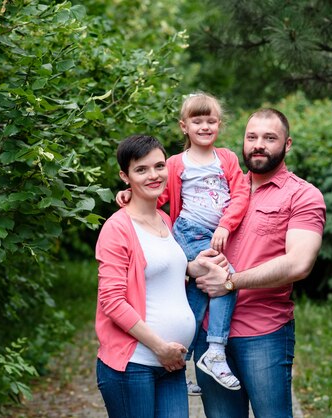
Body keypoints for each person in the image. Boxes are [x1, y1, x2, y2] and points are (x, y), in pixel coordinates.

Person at [192, 108, 326, 418]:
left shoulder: (303, 196)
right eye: (252, 137)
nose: (258, 145)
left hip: (263, 333)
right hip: (210, 334)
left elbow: (299, 264)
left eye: (269, 138)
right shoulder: (220, 189)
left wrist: (230, 282)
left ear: (287, 144)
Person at [117, 92, 250, 394]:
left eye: (211, 121)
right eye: (197, 121)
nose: (205, 126)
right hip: (189, 232)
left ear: (219, 124)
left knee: (199, 291)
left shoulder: (226, 158)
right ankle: (215, 350)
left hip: (216, 232)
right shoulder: (176, 163)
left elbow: (241, 194)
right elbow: (158, 194)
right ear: (184, 126)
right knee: (225, 278)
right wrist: (130, 195)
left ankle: (181, 356)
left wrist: (226, 225)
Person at [94, 134, 195, 418]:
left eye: (159, 166)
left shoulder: (165, 219)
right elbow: (111, 301)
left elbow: (166, 275)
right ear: (125, 176)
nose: (154, 175)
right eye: (141, 169)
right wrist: (160, 347)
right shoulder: (117, 229)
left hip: (171, 363)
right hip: (133, 365)